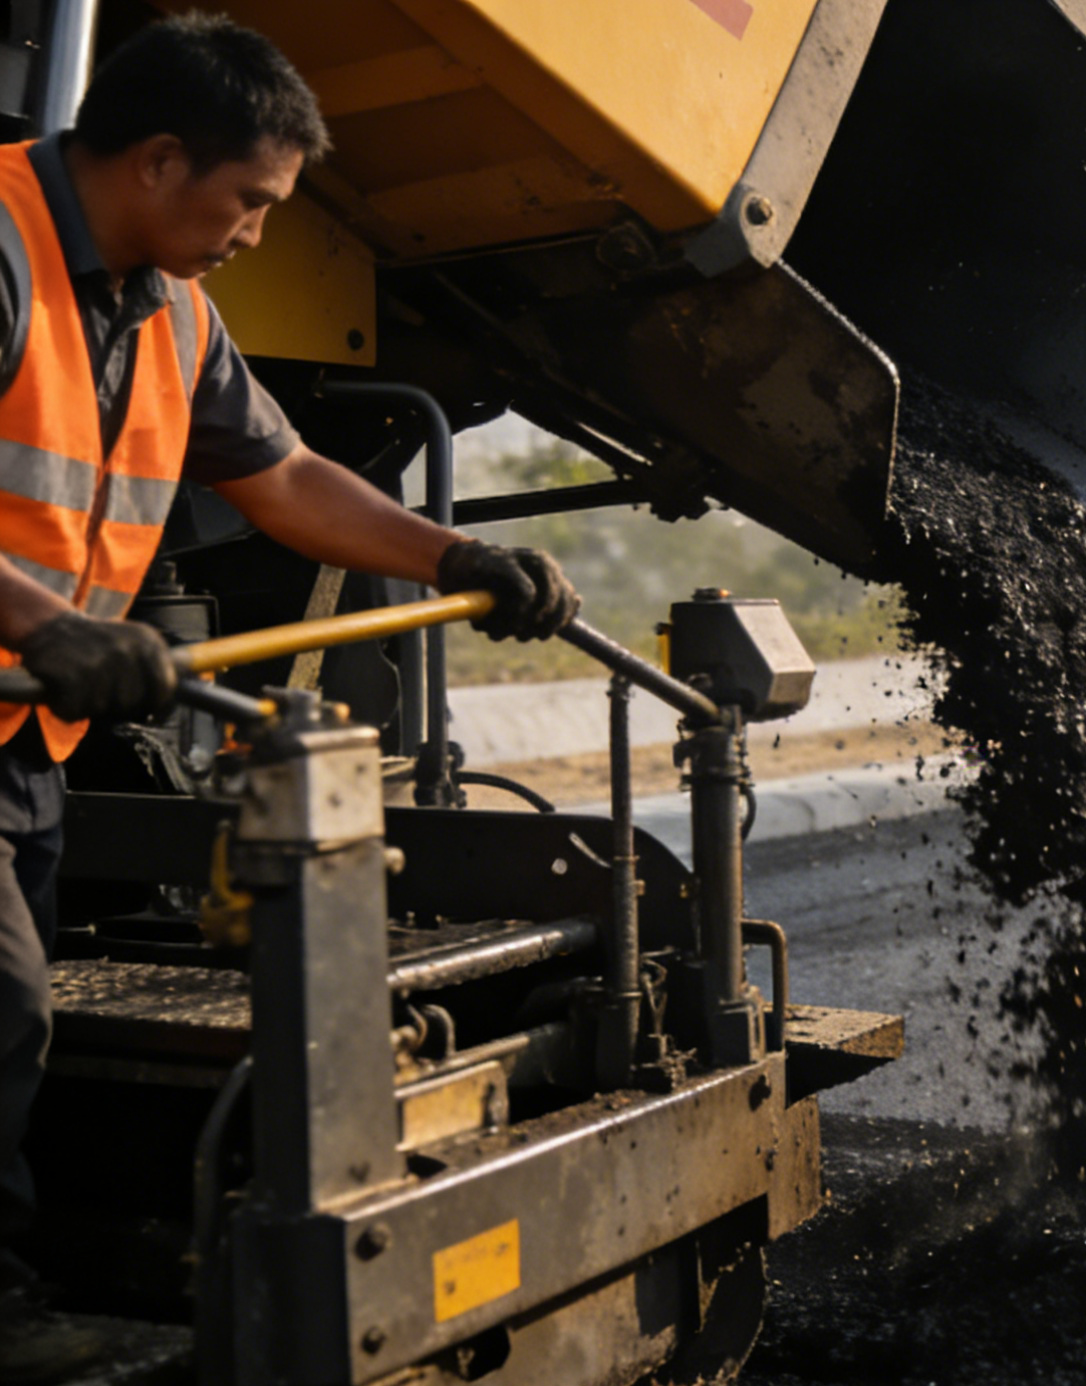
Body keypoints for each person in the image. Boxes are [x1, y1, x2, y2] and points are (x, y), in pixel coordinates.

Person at [0, 18, 578, 1381]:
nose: (259, 235)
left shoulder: (169, 312)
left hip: (22, 735)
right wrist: (51, 622)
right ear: (156, 160)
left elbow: (285, 478)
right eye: (251, 200)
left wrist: (455, 554)